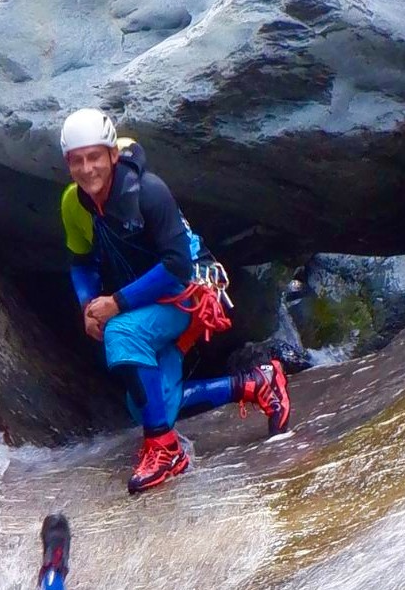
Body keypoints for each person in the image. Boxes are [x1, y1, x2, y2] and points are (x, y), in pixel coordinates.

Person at [59, 107, 292, 494]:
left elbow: (177, 266)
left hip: (191, 291)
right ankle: (256, 383)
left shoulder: (149, 192)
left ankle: (165, 450)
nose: (87, 169)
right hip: (146, 298)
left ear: (113, 155)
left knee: (122, 333)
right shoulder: (73, 203)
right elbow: (81, 262)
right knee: (148, 404)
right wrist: (87, 305)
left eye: (95, 157)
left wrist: (115, 303)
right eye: (77, 160)